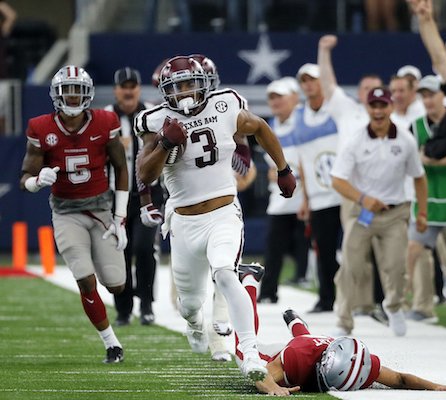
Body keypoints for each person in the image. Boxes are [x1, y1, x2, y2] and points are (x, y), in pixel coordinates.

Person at [135, 55, 296, 380]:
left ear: (205, 84)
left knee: (225, 273)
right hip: (183, 221)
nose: (185, 92)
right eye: (177, 86)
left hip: (223, 212)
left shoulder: (225, 105)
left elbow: (261, 127)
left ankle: (250, 353)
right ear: (166, 91)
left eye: (191, 84)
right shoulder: (155, 120)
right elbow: (145, 173)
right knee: (190, 304)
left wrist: (283, 168)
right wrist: (166, 142)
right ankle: (195, 327)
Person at [19, 65, 128, 363]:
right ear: (56, 94)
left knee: (117, 284)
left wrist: (120, 217)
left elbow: (120, 167)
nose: (72, 96)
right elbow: (25, 176)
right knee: (84, 279)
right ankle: (111, 344)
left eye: (77, 90)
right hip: (66, 212)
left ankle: (100, 257)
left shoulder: (105, 121)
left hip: (101, 209)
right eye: (67, 90)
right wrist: (36, 181)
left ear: (88, 93)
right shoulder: (41, 127)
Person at [233, 263, 446, 395]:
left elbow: (400, 379)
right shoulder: (298, 358)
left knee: (305, 338)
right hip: (294, 351)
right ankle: (250, 281)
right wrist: (273, 388)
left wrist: (435, 386)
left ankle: (295, 321)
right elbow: (260, 375)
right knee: (244, 352)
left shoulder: (357, 362)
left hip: (309, 343)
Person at [330, 87, 428, 336]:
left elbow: (419, 177)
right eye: (373, 106)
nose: (378, 111)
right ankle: (343, 320)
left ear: (391, 108)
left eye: (382, 105)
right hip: (363, 212)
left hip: (395, 213)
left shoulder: (405, 139)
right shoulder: (356, 140)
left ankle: (393, 306)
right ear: (367, 109)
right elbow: (338, 180)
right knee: (351, 266)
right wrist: (363, 198)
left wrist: (422, 212)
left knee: (396, 266)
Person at [317, 34, 385, 318]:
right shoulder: (349, 111)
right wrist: (323, 51)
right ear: (359, 93)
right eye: (366, 88)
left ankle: (386, 302)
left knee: (384, 252)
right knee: (354, 249)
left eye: (375, 89)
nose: (370, 93)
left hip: (383, 192)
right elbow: (327, 84)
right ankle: (360, 303)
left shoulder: (390, 119)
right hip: (352, 192)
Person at [105, 67, 163, 327]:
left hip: (149, 193)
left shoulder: (153, 113)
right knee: (121, 252)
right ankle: (123, 309)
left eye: (132, 86)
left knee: (143, 247)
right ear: (116, 90)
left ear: (138, 89)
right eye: (123, 86)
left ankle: (147, 304)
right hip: (115, 194)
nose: (128, 90)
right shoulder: (105, 117)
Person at [406, 75, 446, 324]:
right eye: (424, 95)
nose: (427, 100)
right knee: (416, 253)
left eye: (432, 94)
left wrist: (439, 160)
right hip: (426, 202)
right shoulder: (415, 126)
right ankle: (422, 306)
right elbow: (411, 159)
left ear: (443, 95)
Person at [293, 63, 342, 313]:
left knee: (358, 250)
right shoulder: (299, 116)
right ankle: (327, 298)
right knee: (324, 252)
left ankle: (368, 298)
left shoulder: (338, 111)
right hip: (320, 197)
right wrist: (305, 198)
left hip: (346, 193)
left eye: (312, 79)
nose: (308, 85)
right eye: (304, 81)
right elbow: (302, 160)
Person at [259, 78, 309, 304]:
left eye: (280, 96)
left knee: (311, 243)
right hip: (280, 197)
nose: (275, 101)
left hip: (306, 195)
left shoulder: (304, 120)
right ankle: (269, 291)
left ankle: (311, 283)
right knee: (274, 246)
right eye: (272, 97)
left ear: (295, 97)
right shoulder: (269, 125)